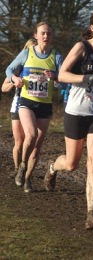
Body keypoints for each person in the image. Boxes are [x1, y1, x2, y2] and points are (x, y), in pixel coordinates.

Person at [43, 10, 93, 230]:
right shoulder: (81, 48)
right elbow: (61, 75)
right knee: (71, 164)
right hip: (76, 112)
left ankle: (91, 214)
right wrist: (85, 78)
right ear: (92, 27)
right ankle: (52, 167)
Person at [5, 22, 64, 193]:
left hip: (45, 105)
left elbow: (64, 83)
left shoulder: (57, 57)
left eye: (49, 34)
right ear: (36, 35)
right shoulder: (27, 53)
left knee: (37, 146)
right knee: (30, 134)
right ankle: (22, 167)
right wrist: (14, 79)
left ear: (52, 37)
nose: (46, 36)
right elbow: (9, 69)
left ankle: (28, 178)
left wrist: (55, 78)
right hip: (26, 102)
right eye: (43, 33)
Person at [1, 39, 37, 178]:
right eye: (32, 50)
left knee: (31, 140)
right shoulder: (17, 67)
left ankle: (26, 172)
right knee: (19, 141)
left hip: (34, 104)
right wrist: (14, 82)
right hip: (18, 104)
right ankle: (17, 169)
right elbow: (3, 88)